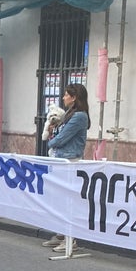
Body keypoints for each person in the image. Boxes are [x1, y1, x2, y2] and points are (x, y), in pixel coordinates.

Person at [42, 83, 91, 252]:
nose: (63, 98)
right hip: (60, 158)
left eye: (66, 95)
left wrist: (51, 141)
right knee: (58, 198)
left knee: (67, 199)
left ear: (74, 97)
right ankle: (61, 234)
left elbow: (61, 138)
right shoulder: (69, 114)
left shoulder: (79, 116)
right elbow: (58, 133)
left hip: (70, 160)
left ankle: (71, 238)